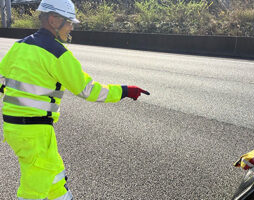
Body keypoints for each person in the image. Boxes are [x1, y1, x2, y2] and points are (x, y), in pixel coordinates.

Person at [0, 0, 150, 199]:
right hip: (34, 132)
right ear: (54, 19)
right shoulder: (57, 53)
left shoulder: (20, 45)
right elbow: (88, 90)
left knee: (54, 176)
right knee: (33, 189)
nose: (71, 27)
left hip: (18, 128)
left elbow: (2, 80)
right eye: (69, 22)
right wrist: (124, 91)